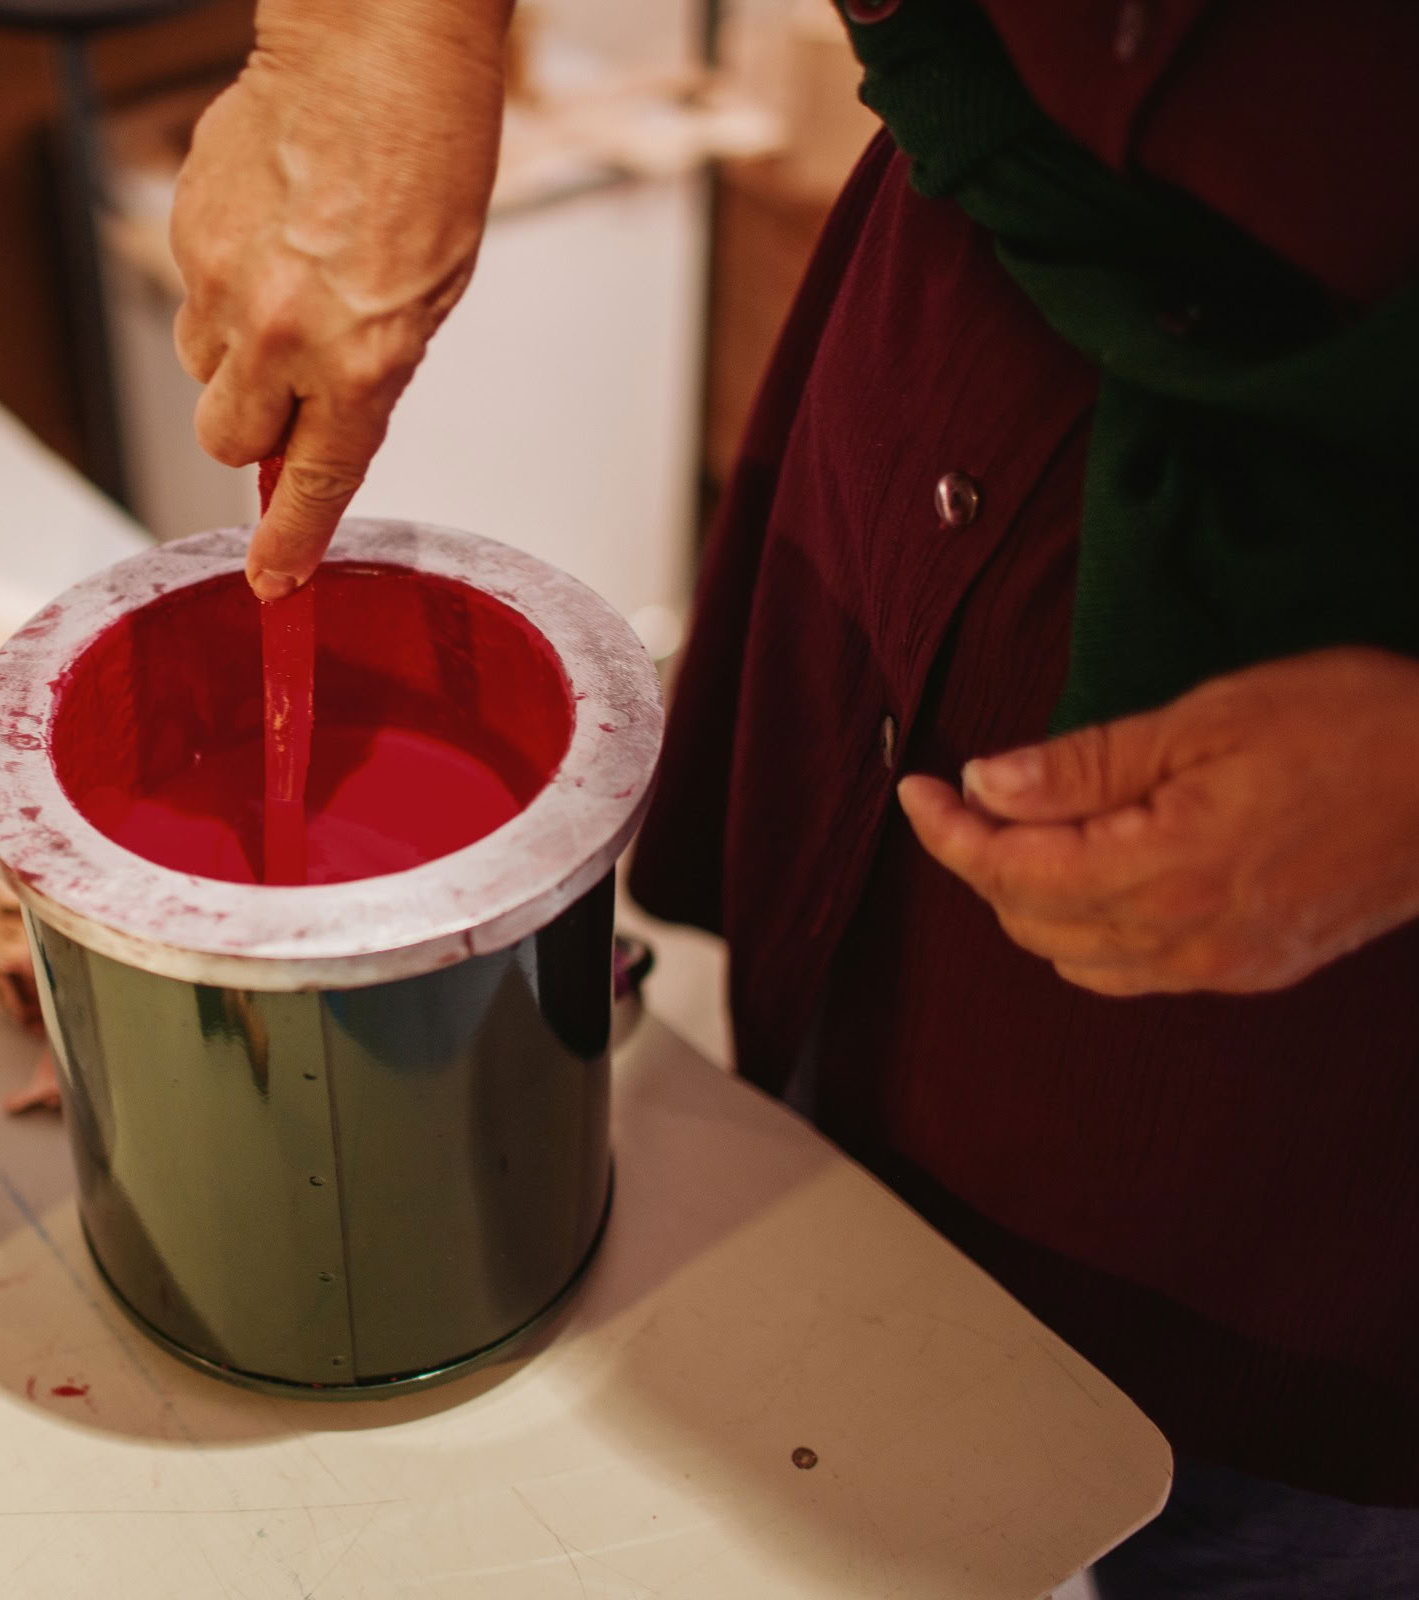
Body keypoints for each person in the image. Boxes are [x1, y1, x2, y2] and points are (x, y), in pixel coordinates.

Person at [168, 1, 1419, 1593]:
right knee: (825, 1274)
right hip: (968, 333)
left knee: (1216, 1514)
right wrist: (373, 38)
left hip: (1334, 1032)